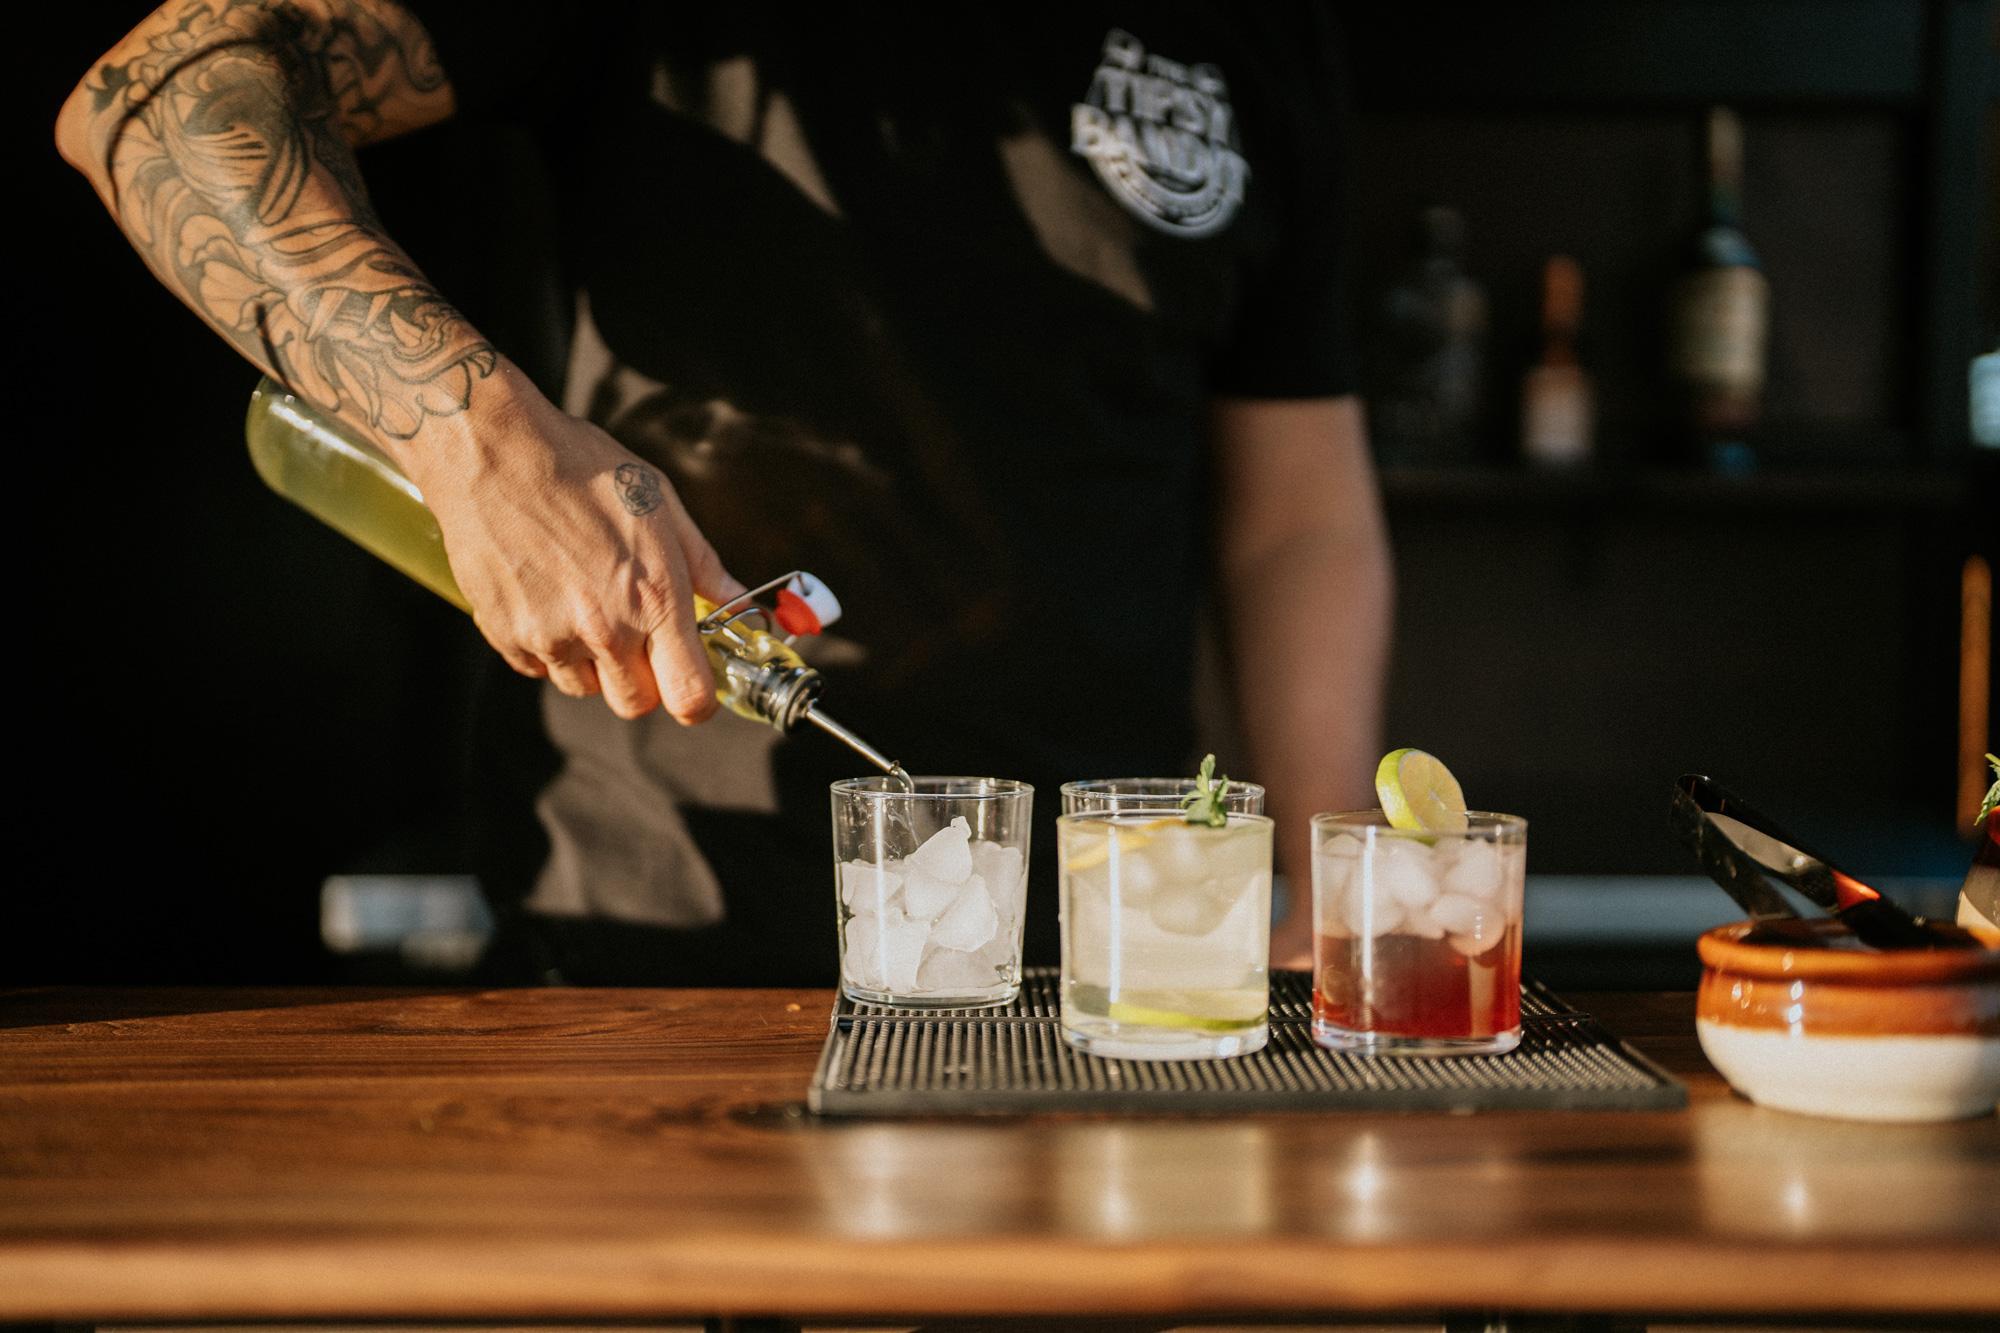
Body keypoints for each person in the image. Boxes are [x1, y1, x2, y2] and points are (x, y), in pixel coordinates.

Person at [57, 1, 1392, 984]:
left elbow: (1300, 520)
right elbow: (151, 100)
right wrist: (478, 440)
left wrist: (1328, 891)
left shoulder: (1259, 33)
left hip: (1111, 943)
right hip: (654, 929)